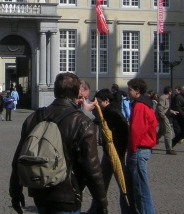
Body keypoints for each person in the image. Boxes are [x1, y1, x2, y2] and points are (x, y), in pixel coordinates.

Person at [9, 72, 108, 214]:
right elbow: (92, 167)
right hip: (67, 196)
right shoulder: (82, 122)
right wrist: (102, 203)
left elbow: (18, 159)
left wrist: (15, 192)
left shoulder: (34, 117)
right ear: (76, 93)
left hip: (39, 191)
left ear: (55, 91)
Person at [87, 88, 130, 214]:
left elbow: (124, 130)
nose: (98, 105)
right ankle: (97, 208)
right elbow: (97, 120)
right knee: (101, 181)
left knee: (122, 183)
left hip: (116, 153)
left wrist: (118, 149)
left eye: (99, 102)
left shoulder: (113, 112)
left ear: (106, 101)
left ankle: (128, 209)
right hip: (109, 153)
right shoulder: (107, 111)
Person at [126, 78, 157, 214]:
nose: (128, 92)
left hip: (139, 149)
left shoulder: (139, 106)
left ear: (137, 91)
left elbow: (136, 130)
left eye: (130, 89)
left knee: (140, 188)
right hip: (142, 148)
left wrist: (131, 148)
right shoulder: (146, 104)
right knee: (138, 186)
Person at [156, 87, 177, 155]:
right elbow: (160, 108)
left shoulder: (166, 98)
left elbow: (165, 108)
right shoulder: (163, 98)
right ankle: (169, 149)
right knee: (168, 132)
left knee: (161, 132)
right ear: (169, 92)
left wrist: (172, 111)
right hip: (163, 117)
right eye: (171, 91)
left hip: (162, 116)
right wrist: (163, 116)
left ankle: (151, 142)